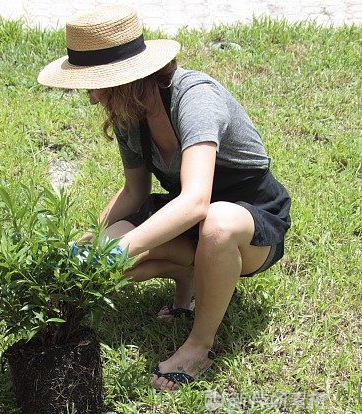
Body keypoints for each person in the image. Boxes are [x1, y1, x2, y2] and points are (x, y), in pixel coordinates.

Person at [38, 4, 291, 391]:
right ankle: (189, 277)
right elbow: (134, 191)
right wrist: (90, 241)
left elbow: (196, 202)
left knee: (216, 225)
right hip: (192, 221)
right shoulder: (129, 113)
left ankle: (198, 346)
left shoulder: (195, 98)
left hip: (248, 221)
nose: (91, 98)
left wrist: (119, 252)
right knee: (105, 244)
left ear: (127, 78)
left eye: (95, 83)